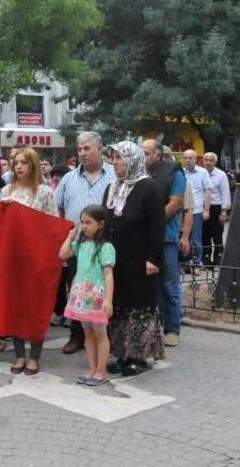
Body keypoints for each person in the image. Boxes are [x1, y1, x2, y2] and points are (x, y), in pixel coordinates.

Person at [104, 141, 165, 376]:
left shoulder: (149, 188)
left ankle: (138, 357)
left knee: (139, 308)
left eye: (119, 158)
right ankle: (120, 353)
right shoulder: (112, 186)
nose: (115, 162)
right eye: (114, 158)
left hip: (140, 262)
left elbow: (157, 228)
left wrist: (153, 259)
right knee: (119, 307)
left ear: (132, 160)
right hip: (115, 262)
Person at [55, 132, 115, 354]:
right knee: (77, 289)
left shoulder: (113, 176)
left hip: (104, 246)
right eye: (79, 149)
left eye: (87, 148)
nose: (82, 153)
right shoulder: (68, 179)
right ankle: (77, 336)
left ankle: (106, 339)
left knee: (103, 290)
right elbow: (59, 208)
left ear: (100, 149)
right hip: (78, 246)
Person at [0, 147, 58, 375]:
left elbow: (54, 225)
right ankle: (19, 356)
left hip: (36, 258)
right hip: (12, 257)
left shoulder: (44, 192)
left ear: (33, 165)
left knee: (35, 307)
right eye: (16, 163)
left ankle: (35, 355)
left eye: (24, 162)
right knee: (15, 307)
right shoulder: (6, 190)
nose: (19, 166)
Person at [59, 205, 115, 386]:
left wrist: (108, 299)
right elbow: (63, 254)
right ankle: (92, 369)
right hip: (81, 296)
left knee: (100, 333)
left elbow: (108, 274)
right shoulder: (81, 244)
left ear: (100, 224)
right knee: (87, 333)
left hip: (96, 296)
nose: (84, 226)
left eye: (88, 222)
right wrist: (70, 237)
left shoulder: (105, 247)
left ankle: (101, 370)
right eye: (82, 222)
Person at [142, 140, 186, 347]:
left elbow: (175, 203)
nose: (144, 157)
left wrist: (154, 221)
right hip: (146, 238)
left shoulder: (175, 173)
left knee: (169, 284)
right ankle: (156, 327)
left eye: (147, 153)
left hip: (166, 238)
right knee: (152, 285)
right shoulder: (141, 174)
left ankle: (172, 329)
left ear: (159, 155)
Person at [183, 150, 213, 268]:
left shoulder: (202, 172)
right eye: (186, 158)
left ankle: (196, 263)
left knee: (196, 238)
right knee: (184, 237)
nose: (188, 160)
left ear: (196, 159)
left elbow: (208, 191)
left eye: (190, 158)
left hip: (196, 211)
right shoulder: (181, 172)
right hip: (183, 211)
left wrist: (206, 210)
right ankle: (185, 262)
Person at [202, 152, 231, 266]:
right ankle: (206, 258)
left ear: (215, 162)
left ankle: (219, 258)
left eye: (210, 160)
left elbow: (225, 193)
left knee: (217, 234)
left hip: (216, 208)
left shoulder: (221, 175)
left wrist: (224, 212)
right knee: (205, 235)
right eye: (206, 160)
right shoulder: (201, 173)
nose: (208, 162)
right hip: (203, 207)